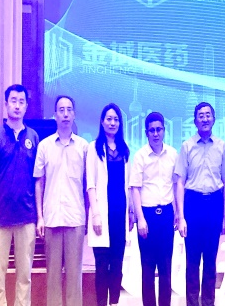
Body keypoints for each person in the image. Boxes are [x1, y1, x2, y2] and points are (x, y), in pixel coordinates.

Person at [0, 84, 39, 306]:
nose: (17, 105)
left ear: (26, 106)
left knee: (25, 278)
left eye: (21, 101)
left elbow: (38, 181)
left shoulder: (33, 137)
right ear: (6, 105)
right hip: (0, 218)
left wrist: (39, 217)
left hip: (27, 217)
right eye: (13, 101)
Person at [34, 95, 89, 306]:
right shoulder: (44, 146)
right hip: (51, 218)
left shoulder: (84, 147)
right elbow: (39, 183)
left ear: (74, 115)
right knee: (53, 278)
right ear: (55, 115)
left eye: (69, 110)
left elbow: (89, 184)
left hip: (75, 218)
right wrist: (40, 217)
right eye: (61, 110)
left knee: (75, 278)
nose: (65, 114)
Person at [175, 102, 225, 306]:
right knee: (192, 260)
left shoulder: (222, 146)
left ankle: (208, 302)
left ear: (213, 119)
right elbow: (180, 182)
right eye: (201, 115)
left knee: (210, 259)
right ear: (195, 120)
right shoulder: (187, 146)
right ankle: (192, 302)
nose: (205, 119)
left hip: (214, 203)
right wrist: (181, 216)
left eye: (208, 115)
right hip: (193, 203)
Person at [130, 112, 178, 306]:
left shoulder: (173, 154)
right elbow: (135, 188)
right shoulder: (140, 156)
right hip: (147, 216)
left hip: (166, 215)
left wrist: (178, 213)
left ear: (164, 131)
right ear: (146, 133)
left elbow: (176, 185)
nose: (156, 134)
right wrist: (140, 218)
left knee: (166, 268)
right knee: (148, 268)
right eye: (152, 130)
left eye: (159, 129)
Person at [87, 103, 133, 306]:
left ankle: (114, 302)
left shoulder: (125, 149)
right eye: (109, 119)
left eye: (116, 119)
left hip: (119, 214)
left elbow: (129, 185)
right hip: (102, 215)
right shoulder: (94, 148)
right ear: (102, 121)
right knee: (102, 266)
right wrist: (95, 214)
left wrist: (131, 212)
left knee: (117, 265)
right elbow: (90, 184)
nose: (112, 123)